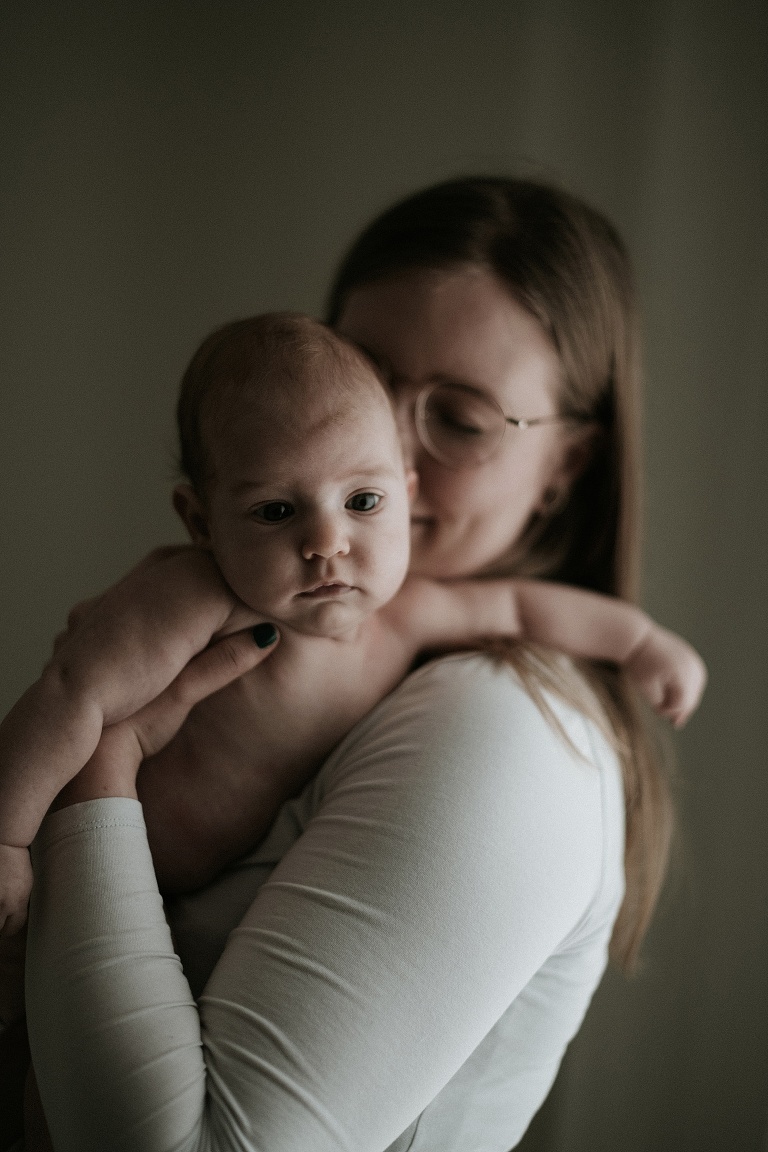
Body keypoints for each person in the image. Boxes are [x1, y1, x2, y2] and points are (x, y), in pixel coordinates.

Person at [22, 177, 698, 1151]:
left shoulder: (497, 727)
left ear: (566, 468)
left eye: (462, 418)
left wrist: (99, 755)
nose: (382, 450)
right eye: (368, 378)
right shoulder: (257, 612)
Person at [0, 313, 704, 937]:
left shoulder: (404, 617)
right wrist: (9, 840)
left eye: (363, 500)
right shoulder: (196, 596)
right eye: (277, 511)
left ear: (406, 491)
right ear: (200, 523)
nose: (326, 541)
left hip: (177, 910)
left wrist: (638, 641)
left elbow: (519, 607)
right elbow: (72, 690)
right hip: (76, 874)